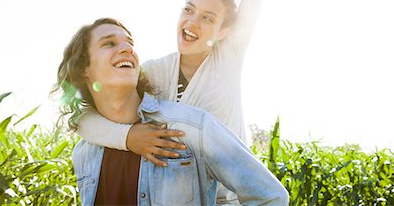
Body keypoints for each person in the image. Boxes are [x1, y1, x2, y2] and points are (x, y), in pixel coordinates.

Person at [77, 0, 270, 163]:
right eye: (188, 10)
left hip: (228, 200)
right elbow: (84, 120)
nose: (192, 22)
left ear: (223, 31)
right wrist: (129, 137)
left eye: (207, 18)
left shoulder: (229, 57)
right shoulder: (152, 72)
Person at [55, 18, 289, 205]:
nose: (127, 48)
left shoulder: (191, 128)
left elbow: (270, 196)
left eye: (129, 43)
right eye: (109, 43)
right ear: (83, 69)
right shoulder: (84, 152)